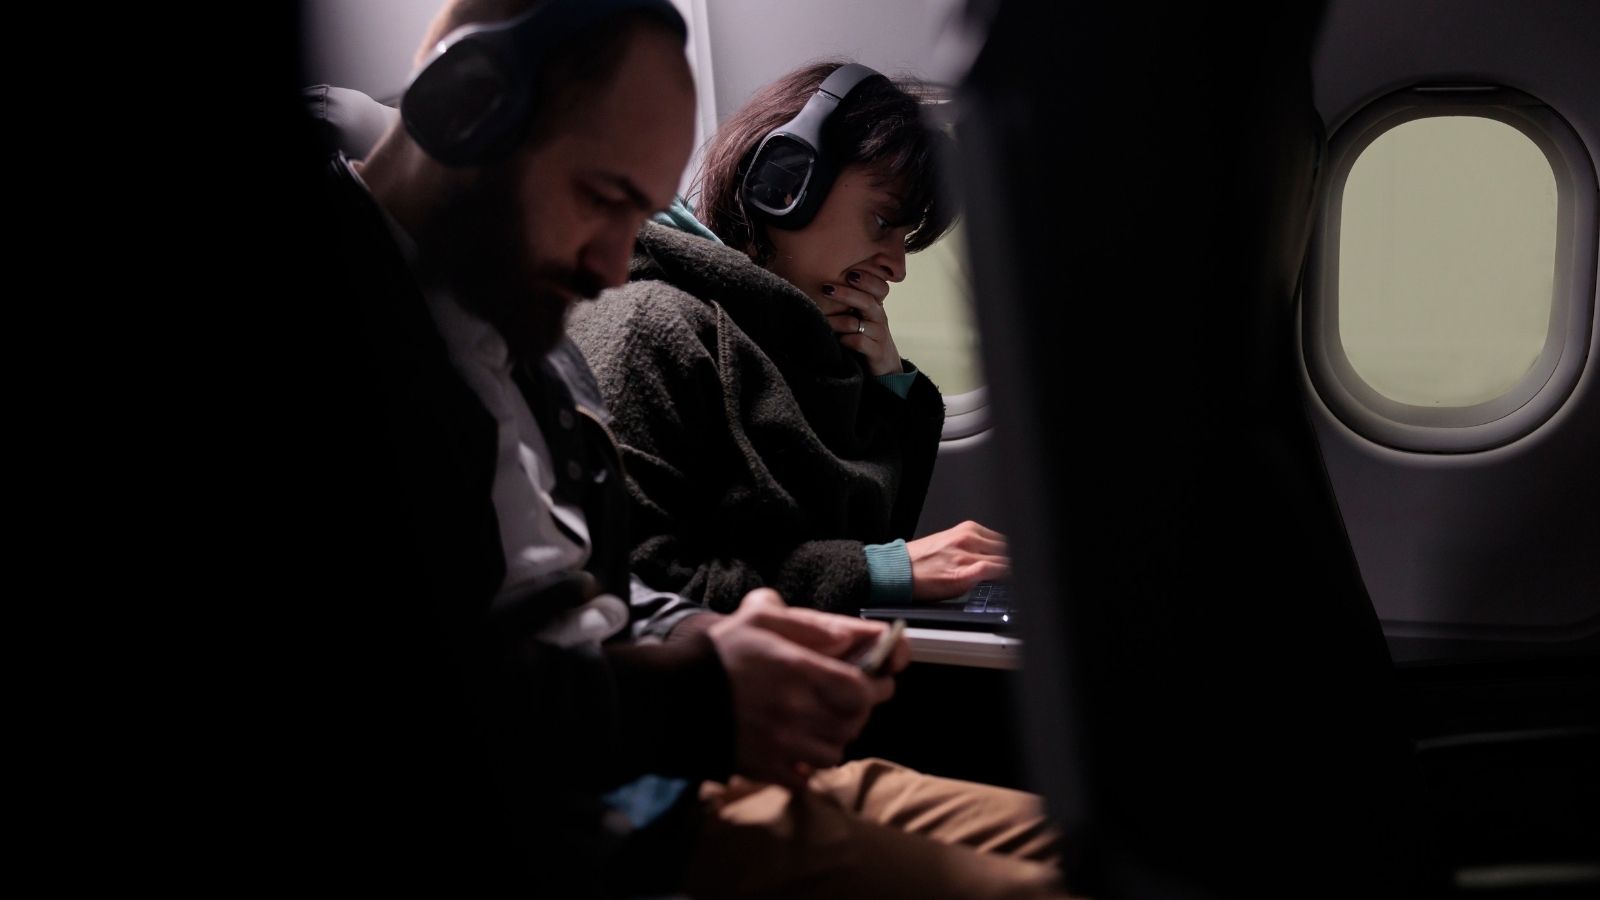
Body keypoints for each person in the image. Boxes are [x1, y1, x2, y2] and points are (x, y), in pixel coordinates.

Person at [313, 1, 1067, 895]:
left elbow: (596, 588)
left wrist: (705, 633)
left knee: (1091, 843)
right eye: (603, 197)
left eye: (638, 213)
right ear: (465, 105)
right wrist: (706, 685)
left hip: (669, 765)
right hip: (611, 807)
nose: (611, 266)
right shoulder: (403, 338)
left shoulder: (529, 352)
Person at [569, 61, 1010, 615]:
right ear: (785, 183)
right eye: (882, 222)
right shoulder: (649, 326)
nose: (897, 268)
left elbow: (858, 532)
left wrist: (887, 389)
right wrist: (878, 572)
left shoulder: (786, 341)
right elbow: (634, 586)